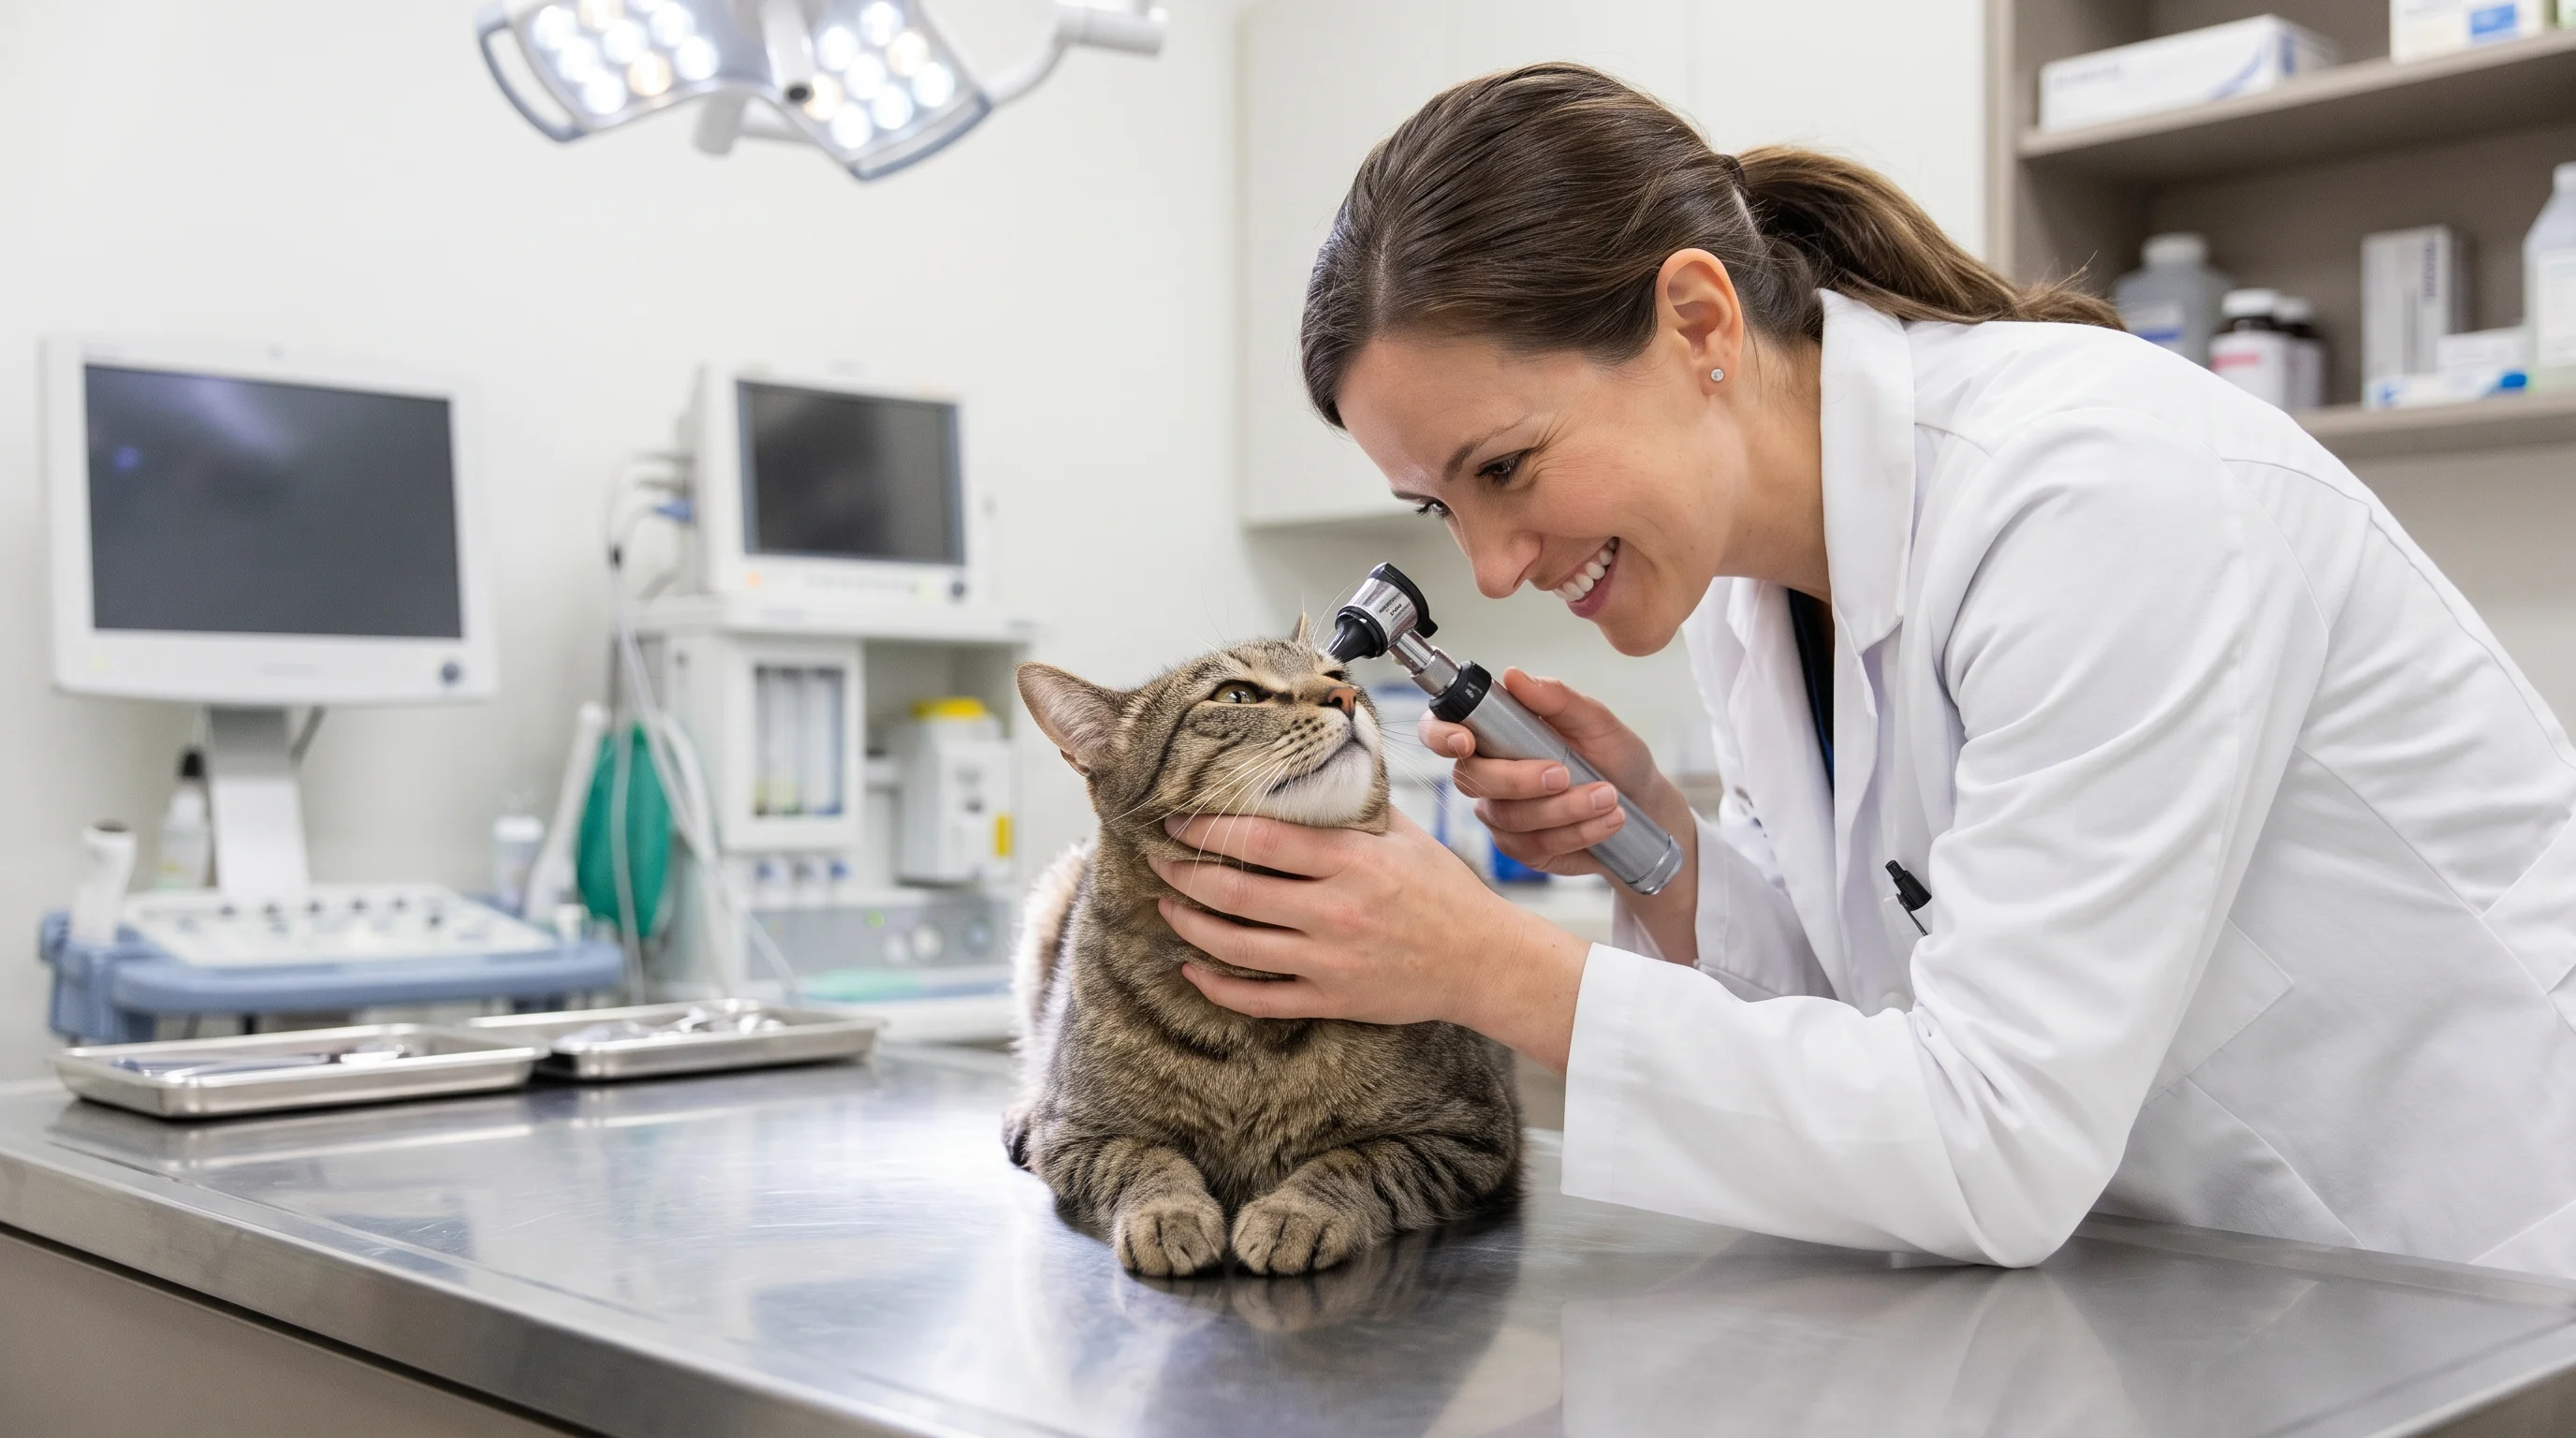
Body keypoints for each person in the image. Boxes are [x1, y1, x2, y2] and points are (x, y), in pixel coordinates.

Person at [1146, 63, 2576, 1274]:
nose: (1498, 566)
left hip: (2487, 1279)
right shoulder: (1741, 587)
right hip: (2226, 1290)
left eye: (1507, 467)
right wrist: (1665, 853)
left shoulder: (2094, 489)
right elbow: (1862, 1021)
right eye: (1441, 512)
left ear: (1699, 322)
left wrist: (1487, 966)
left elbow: (1991, 1139)